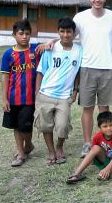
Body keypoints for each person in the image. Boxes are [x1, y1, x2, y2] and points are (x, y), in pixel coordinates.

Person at [72, 0, 112, 157]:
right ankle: (87, 143)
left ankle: (105, 143)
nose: (97, 0)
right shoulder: (80, 17)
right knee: (87, 108)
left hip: (108, 68)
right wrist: (50, 43)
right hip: (87, 68)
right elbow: (67, 36)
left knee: (104, 108)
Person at [34, 17, 83, 165]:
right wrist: (38, 92)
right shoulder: (50, 49)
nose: (66, 35)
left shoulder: (79, 50)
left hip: (64, 97)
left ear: (74, 34)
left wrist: (75, 91)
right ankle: (51, 151)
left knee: (62, 126)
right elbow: (41, 71)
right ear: (58, 32)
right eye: (62, 31)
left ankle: (59, 146)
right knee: (45, 125)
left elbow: (79, 73)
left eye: (69, 32)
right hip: (45, 94)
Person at [1, 19, 40, 167]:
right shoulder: (8, 54)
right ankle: (21, 153)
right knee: (16, 126)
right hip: (13, 98)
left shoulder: (36, 50)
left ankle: (28, 144)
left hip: (30, 99)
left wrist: (47, 43)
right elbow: (4, 77)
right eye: (21, 33)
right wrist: (4, 98)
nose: (24, 36)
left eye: (27, 34)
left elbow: (55, 41)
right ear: (14, 35)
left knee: (25, 126)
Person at [66, 111, 112, 184]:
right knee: (95, 147)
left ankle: (110, 171)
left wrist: (108, 168)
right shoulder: (97, 136)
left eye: (111, 125)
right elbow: (93, 151)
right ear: (100, 127)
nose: (109, 128)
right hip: (105, 159)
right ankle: (76, 174)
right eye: (105, 126)